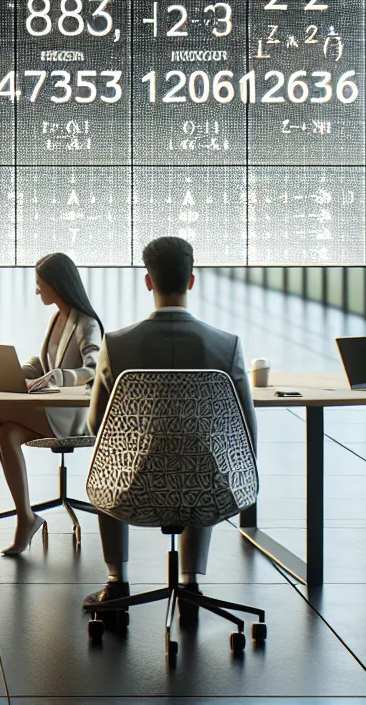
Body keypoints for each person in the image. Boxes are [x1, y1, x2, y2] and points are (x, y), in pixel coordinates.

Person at [81, 236, 253, 613]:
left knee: (109, 461)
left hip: (134, 489)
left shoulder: (118, 343)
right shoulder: (227, 346)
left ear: (148, 282)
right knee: (205, 454)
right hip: (206, 489)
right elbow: (246, 434)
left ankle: (116, 583)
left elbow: (98, 426)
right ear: (192, 281)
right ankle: (190, 584)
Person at [0, 252, 102, 557]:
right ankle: (26, 516)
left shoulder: (86, 323)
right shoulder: (57, 318)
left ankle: (25, 518)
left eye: (40, 284)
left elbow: (94, 369)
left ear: (56, 285)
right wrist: (17, 373)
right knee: (3, 430)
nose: (37, 291)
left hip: (72, 414)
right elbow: (44, 361)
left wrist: (59, 377)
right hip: (52, 410)